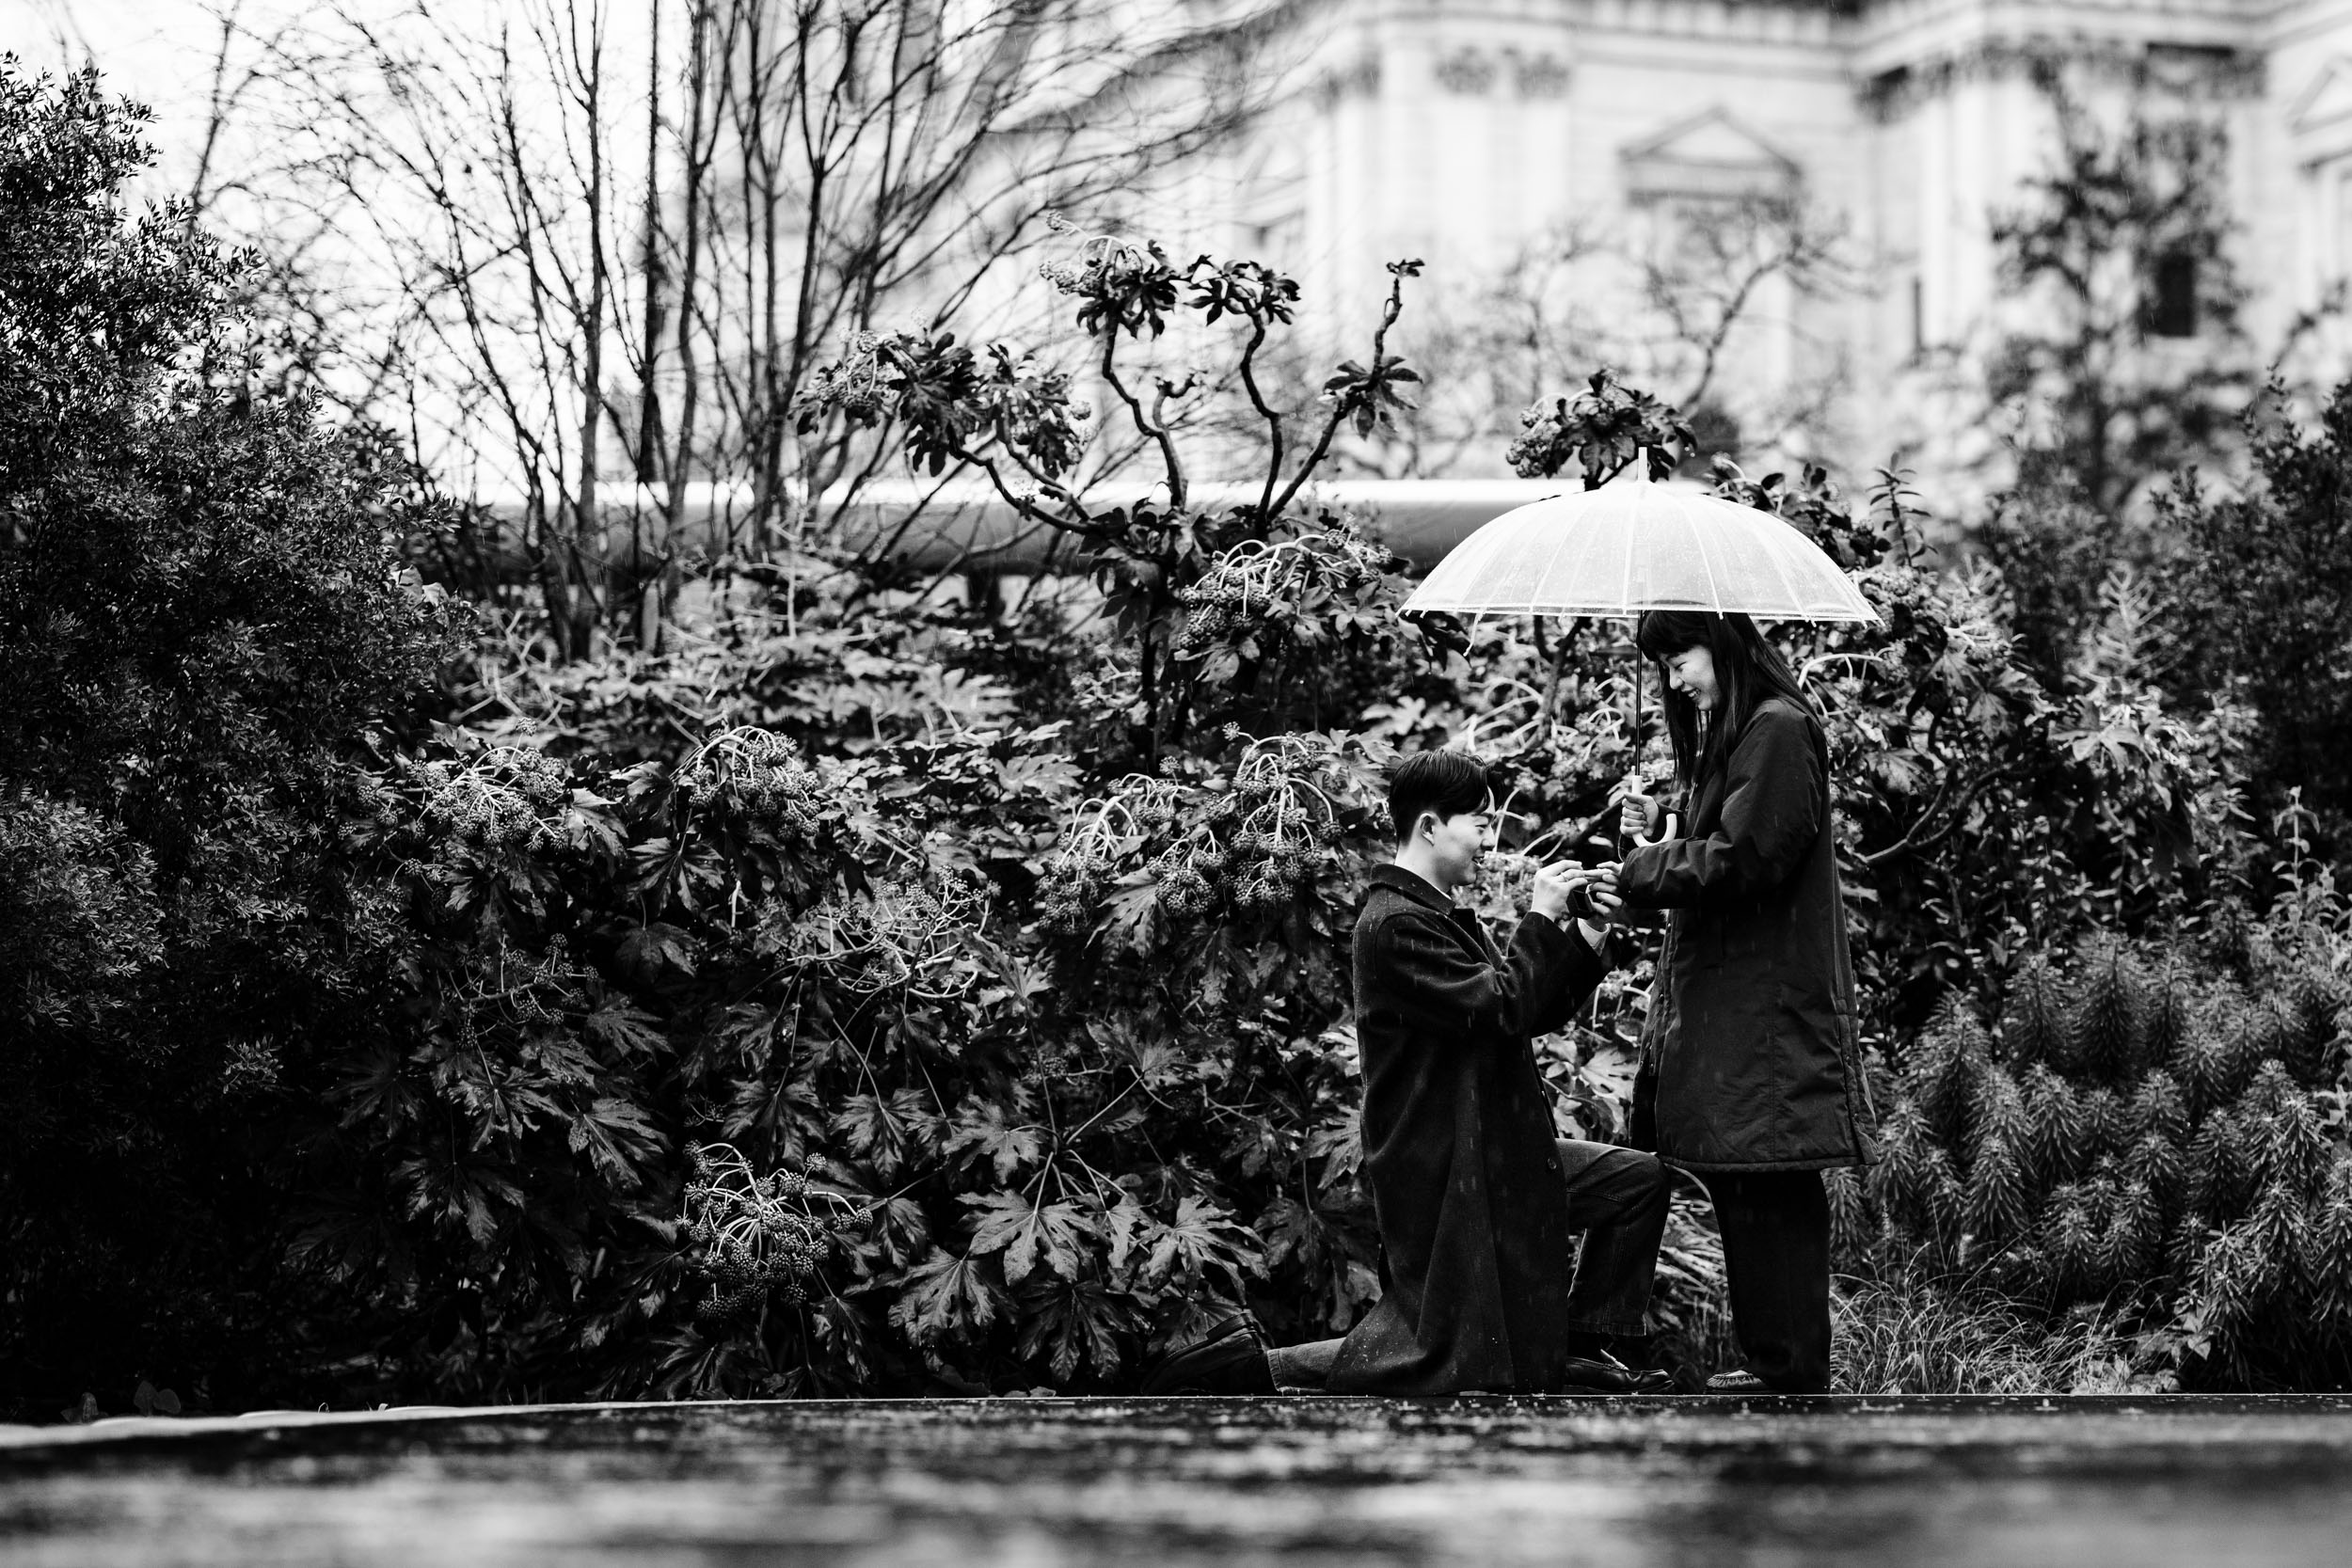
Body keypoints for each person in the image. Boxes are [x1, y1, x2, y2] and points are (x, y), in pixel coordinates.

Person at [1142, 750, 1673, 1397]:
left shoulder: (1429, 913)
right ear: (1429, 827)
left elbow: (1521, 1007)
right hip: (1446, 1157)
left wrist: (1588, 931)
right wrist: (1537, 916)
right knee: (1432, 1350)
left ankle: (1578, 1348)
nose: (1486, 838)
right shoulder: (1395, 922)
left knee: (1635, 1183)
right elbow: (1502, 1004)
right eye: (1476, 822)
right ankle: (1250, 1370)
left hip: (1496, 1142)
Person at [1613, 609, 1875, 1396]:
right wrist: (1655, 833)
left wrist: (1643, 869)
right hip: (1742, 1009)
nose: (1673, 678)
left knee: (1769, 1183)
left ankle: (1788, 1373)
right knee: (1748, 1180)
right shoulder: (1744, 736)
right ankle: (1775, 1365)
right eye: (1660, 664)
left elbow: (1745, 858)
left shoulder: (1778, 728)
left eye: (1681, 654)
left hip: (1764, 1011)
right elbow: (1721, 842)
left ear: (1725, 641)